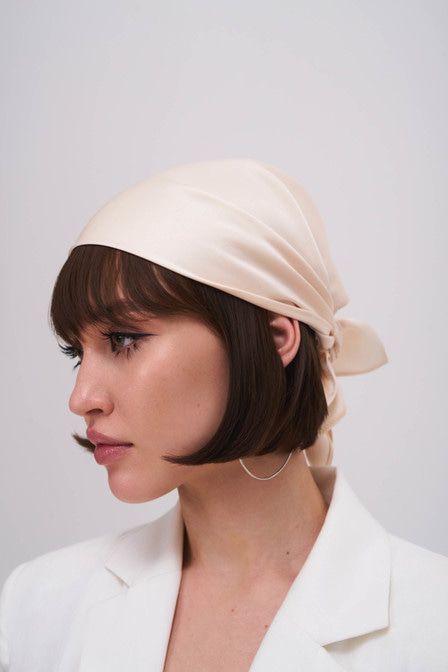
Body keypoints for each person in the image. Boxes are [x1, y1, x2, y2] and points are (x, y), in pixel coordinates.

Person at [0, 159, 447, 671]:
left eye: (123, 339)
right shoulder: (37, 608)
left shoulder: (432, 624)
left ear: (275, 338)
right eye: (76, 353)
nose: (81, 398)